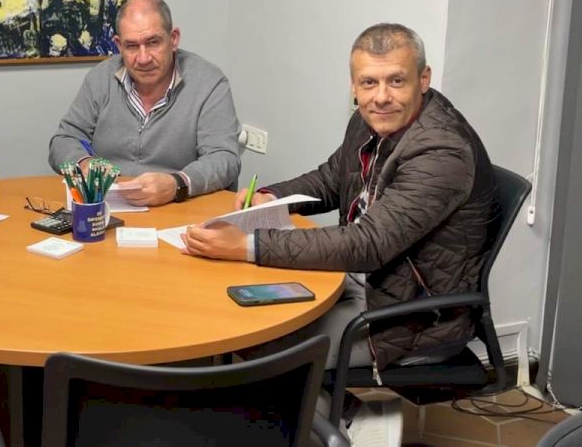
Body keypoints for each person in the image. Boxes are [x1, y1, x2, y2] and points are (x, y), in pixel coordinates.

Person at [183, 23, 499, 373]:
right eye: (369, 83)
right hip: (359, 280)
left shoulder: (442, 151)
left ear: (423, 79)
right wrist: (272, 196)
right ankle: (320, 404)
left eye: (396, 81)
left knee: (259, 339)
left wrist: (246, 245)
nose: (381, 96)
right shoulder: (370, 120)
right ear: (354, 85)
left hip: (408, 318)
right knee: (230, 304)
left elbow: (368, 244)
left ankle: (328, 406)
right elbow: (332, 178)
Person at [48, 0, 242, 206]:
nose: (143, 59)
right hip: (107, 206)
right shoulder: (100, 78)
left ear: (173, 39)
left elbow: (224, 157)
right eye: (131, 46)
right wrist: (85, 164)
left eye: (153, 42)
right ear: (119, 45)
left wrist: (177, 184)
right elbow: (64, 139)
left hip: (178, 206)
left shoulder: (209, 83)